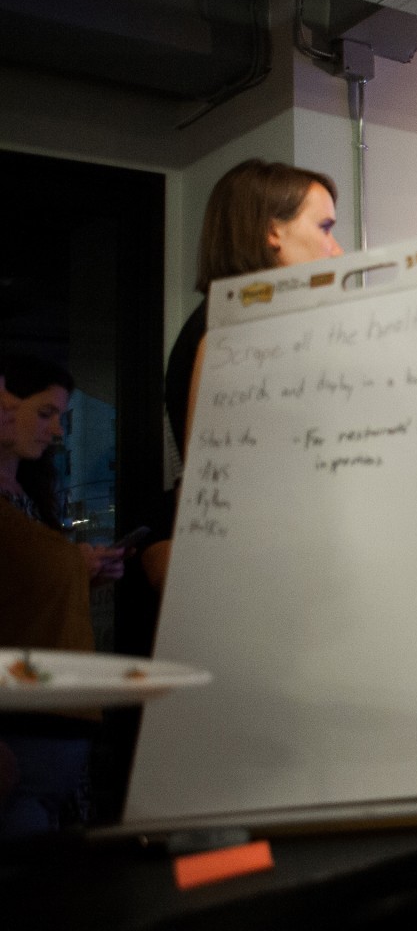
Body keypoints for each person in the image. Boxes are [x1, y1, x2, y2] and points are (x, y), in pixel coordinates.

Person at [147, 159, 342, 590]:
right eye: (325, 228)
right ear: (272, 232)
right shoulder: (233, 334)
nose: (337, 250)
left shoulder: (227, 325)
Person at [0, 357, 115, 835]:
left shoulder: (27, 496)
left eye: (61, 418)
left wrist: (81, 574)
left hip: (51, 731)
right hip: (20, 738)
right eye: (45, 413)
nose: (57, 431)